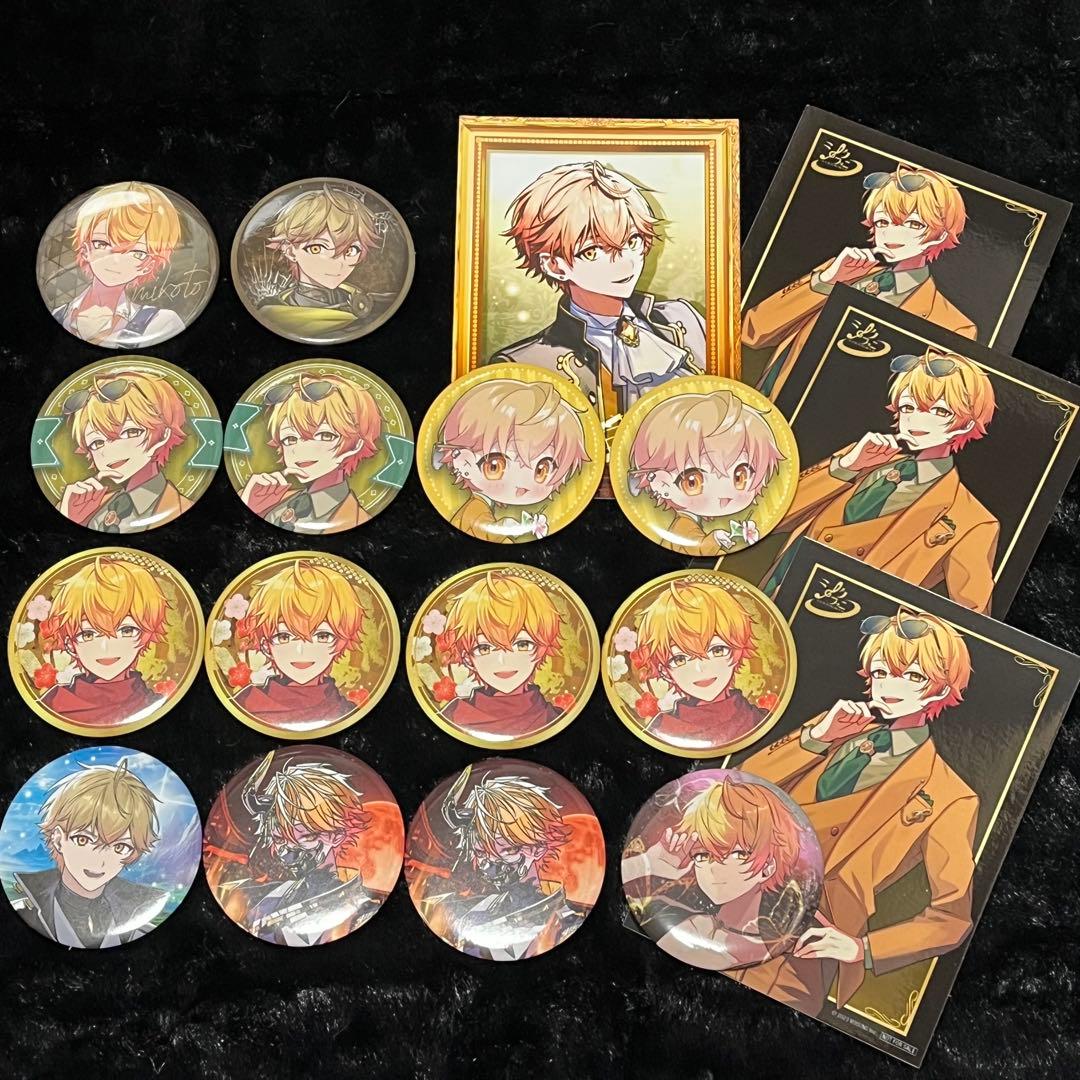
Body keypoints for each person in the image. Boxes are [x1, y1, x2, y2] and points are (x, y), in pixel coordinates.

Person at [731, 610, 977, 1014]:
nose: (890, 686)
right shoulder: (833, 727)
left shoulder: (950, 795)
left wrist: (863, 949)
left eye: (913, 676)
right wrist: (815, 738)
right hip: (725, 904)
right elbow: (734, 790)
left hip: (801, 952)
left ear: (943, 687)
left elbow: (952, 918)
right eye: (881, 672)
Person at [761, 349, 998, 613]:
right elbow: (766, 517)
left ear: (966, 424)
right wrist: (846, 467)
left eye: (940, 411)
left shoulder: (973, 520)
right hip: (766, 599)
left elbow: (972, 618)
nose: (917, 419)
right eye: (908, 407)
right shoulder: (859, 456)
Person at [488, 161, 706, 425]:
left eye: (632, 240)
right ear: (554, 265)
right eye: (593, 251)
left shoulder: (683, 318)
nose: (625, 262)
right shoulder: (524, 366)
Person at [745, 166, 975, 399]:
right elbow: (753, 331)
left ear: (941, 234)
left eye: (914, 224)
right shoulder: (839, 269)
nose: (893, 234)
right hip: (768, 402)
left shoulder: (955, 326)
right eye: (883, 221)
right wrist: (825, 282)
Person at [622, 776, 804, 970]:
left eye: (737, 853)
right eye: (701, 854)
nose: (712, 868)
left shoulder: (767, 955)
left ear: (768, 867)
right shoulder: (678, 919)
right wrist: (647, 863)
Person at [214, 752, 377, 946]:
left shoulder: (360, 907)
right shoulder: (263, 896)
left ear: (335, 836)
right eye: (279, 839)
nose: (287, 850)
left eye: (306, 837)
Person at [11, 760, 166, 947]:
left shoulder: (140, 929)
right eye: (83, 840)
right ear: (58, 839)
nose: (100, 862)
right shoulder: (23, 915)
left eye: (120, 847)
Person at [437, 766, 584, 961]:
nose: (489, 863)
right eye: (481, 853)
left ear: (537, 849)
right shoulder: (475, 913)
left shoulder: (565, 921)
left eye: (508, 850)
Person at [630, 389, 785, 556]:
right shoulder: (683, 526)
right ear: (660, 483)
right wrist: (715, 538)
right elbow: (697, 547)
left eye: (740, 477)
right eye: (692, 482)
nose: (724, 495)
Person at [435, 378, 590, 541]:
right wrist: (506, 526)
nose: (522, 485)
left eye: (542, 470)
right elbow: (489, 533)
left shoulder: (479, 508)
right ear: (462, 461)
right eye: (494, 466)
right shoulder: (475, 511)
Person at [240, 373, 382, 533]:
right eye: (290, 439)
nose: (301, 450)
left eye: (325, 436)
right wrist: (251, 509)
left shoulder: (358, 520)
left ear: (356, 445)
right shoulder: (262, 499)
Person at [632, 579, 766, 748]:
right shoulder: (661, 729)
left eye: (717, 650)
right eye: (679, 659)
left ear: (738, 651)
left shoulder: (758, 719)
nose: (700, 668)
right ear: (664, 670)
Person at [233, 560, 366, 729]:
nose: (301, 651)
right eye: (283, 637)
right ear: (266, 645)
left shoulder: (345, 711)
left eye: (322, 636)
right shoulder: (245, 703)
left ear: (341, 642)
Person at [38, 556, 169, 726]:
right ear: (70, 644)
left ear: (146, 636)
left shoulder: (153, 704)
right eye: (88, 634)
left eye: (126, 631)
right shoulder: (53, 703)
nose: (105, 647)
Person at [52, 182, 185, 347]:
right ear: (85, 250)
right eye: (102, 244)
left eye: (136, 252)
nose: (115, 260)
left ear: (149, 265)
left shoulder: (161, 322)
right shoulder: (59, 315)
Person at [57, 370, 190, 533]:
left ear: (163, 435)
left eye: (130, 432)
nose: (111, 451)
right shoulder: (80, 507)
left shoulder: (182, 508)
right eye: (97, 442)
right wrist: (70, 519)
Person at [435, 571, 564, 737]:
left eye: (522, 645)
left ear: (542, 648)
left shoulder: (554, 719)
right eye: (484, 648)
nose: (503, 661)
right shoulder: (452, 716)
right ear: (468, 658)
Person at [256, 184, 385, 338]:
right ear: (290, 251)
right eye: (317, 248)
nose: (338, 263)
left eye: (351, 250)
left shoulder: (368, 305)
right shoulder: (272, 313)